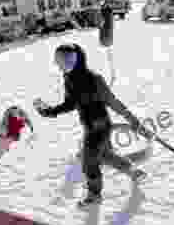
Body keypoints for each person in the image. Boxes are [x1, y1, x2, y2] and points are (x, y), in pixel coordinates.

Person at [35, 43, 151, 207]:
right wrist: (51, 111)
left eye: (67, 60)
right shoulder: (69, 80)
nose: (63, 65)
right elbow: (71, 103)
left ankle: (94, 194)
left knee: (89, 161)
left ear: (79, 59)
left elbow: (113, 102)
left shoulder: (94, 79)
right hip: (89, 126)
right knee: (104, 155)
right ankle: (132, 170)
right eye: (60, 61)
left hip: (101, 126)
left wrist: (134, 122)